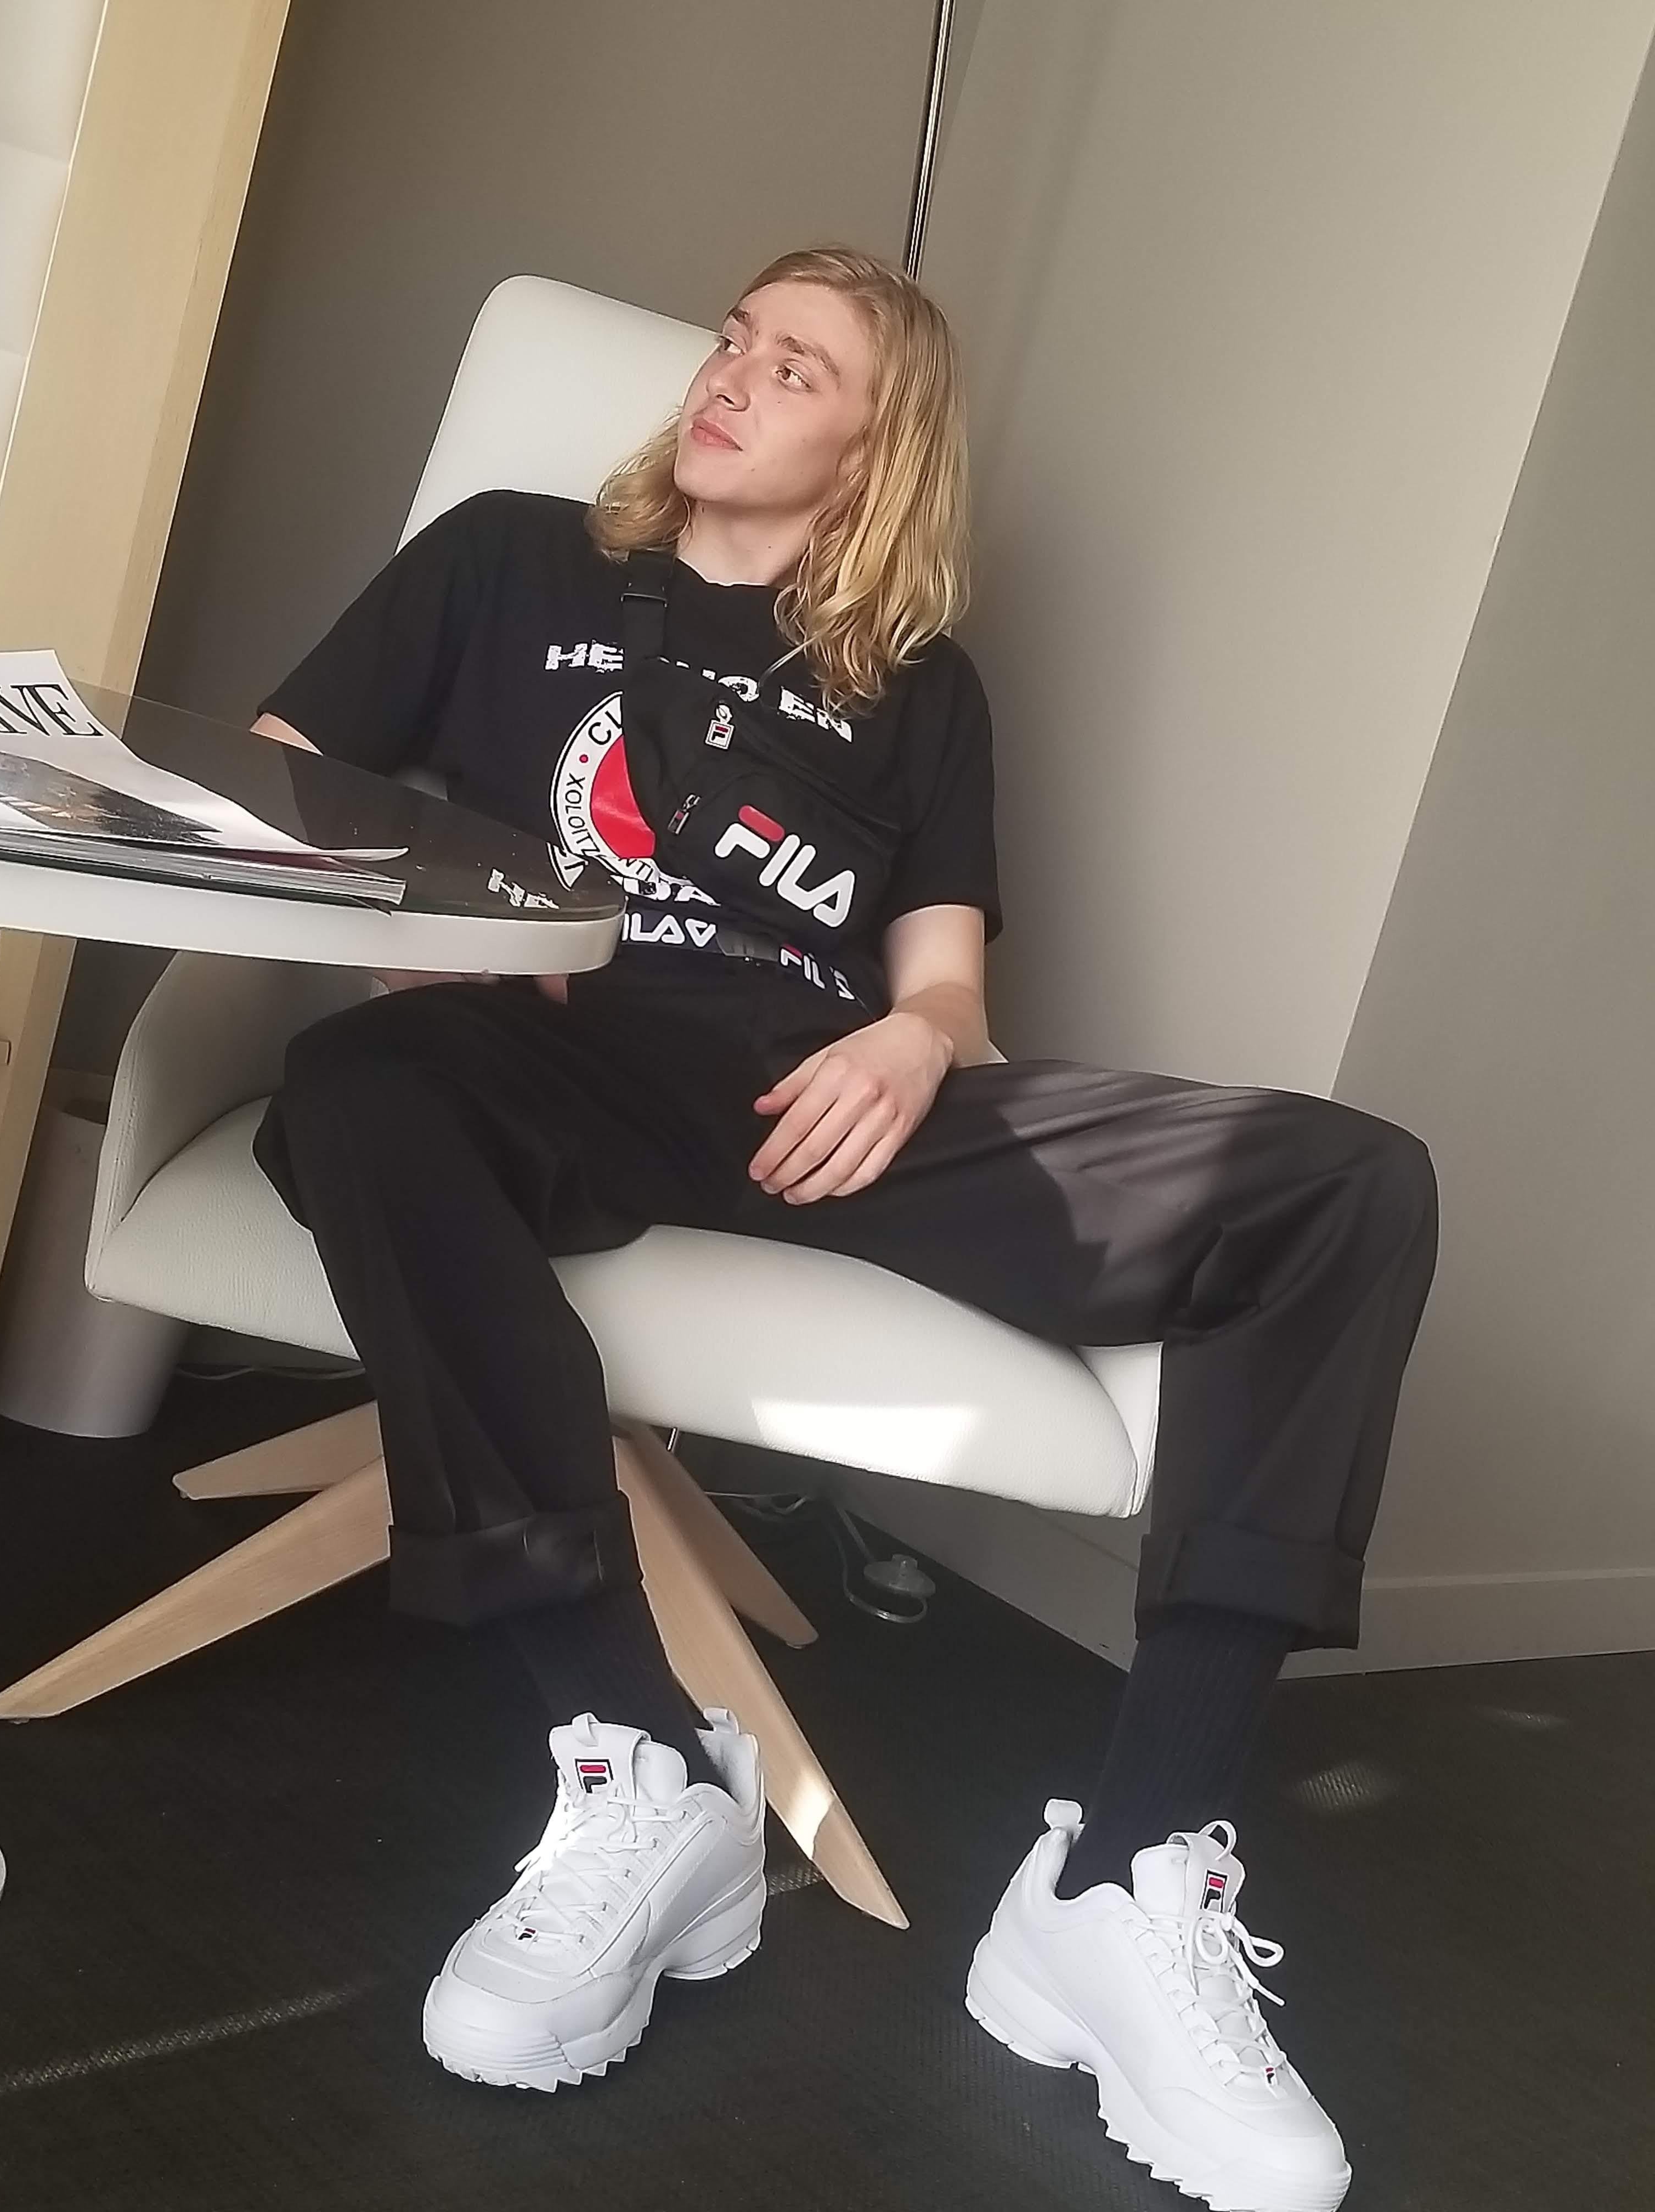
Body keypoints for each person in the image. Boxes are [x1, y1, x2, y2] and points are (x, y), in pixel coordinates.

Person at [249, 242, 1436, 2211]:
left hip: (827, 1103)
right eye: (736, 340)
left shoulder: (922, 691)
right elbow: (273, 785)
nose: (730, 374)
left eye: (795, 367)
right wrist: (416, 926)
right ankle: (638, 1758)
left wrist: (912, 1041)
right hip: (544, 1055)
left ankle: (1128, 1868)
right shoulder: (508, 558)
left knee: (1346, 1185)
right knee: (356, 1091)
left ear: (880, 452)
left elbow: (950, 988)